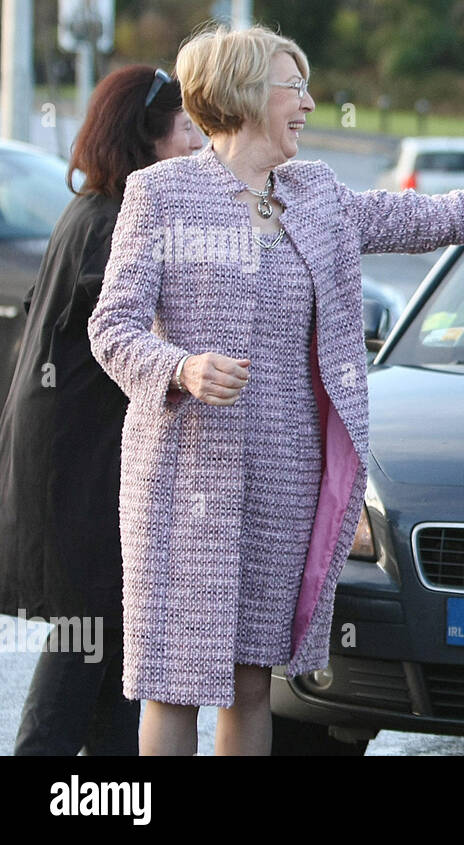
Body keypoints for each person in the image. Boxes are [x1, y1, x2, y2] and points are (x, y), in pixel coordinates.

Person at [87, 25, 464, 756]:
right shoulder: (160, 194)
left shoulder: (316, 191)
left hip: (288, 477)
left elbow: (430, 217)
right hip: (184, 480)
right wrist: (181, 368)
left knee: (248, 681)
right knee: (172, 681)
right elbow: (111, 328)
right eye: (291, 86)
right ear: (240, 92)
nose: (307, 101)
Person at [0, 65, 203, 755]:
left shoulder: (95, 209)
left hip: (83, 464)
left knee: (115, 648)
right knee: (87, 634)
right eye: (186, 130)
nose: (198, 146)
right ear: (144, 139)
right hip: (80, 475)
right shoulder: (113, 223)